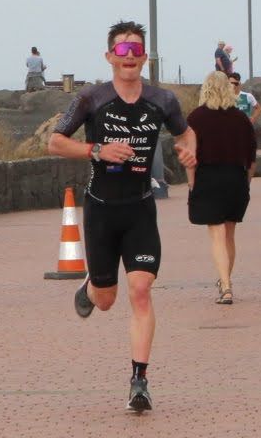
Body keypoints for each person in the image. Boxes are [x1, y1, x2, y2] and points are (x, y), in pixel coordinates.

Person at [46, 20, 197, 413]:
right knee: (108, 299)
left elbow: (186, 133)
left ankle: (139, 381)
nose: (129, 57)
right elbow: (55, 141)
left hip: (140, 210)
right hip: (100, 210)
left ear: (145, 57)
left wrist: (188, 150)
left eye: (136, 50)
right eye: (122, 50)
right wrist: (97, 150)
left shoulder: (162, 100)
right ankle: (90, 288)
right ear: (109, 56)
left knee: (141, 291)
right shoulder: (91, 99)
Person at [185, 71, 257, 305]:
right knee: (229, 234)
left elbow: (190, 155)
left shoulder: (196, 118)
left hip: (208, 177)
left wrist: (191, 183)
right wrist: (246, 183)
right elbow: (252, 158)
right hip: (235, 178)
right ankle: (225, 280)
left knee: (216, 234)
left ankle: (225, 287)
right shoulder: (241, 119)